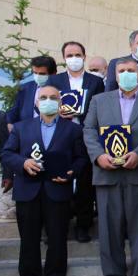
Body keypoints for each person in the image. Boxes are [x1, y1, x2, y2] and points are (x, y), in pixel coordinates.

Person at [84, 57, 138, 276]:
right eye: (122, 71)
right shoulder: (99, 101)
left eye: (131, 70)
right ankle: (113, 274)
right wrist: (98, 155)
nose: (127, 74)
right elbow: (88, 130)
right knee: (109, 228)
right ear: (115, 75)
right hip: (106, 173)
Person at [2, 86, 88, 276]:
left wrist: (71, 172)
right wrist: (23, 163)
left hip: (58, 189)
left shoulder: (73, 130)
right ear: (36, 102)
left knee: (57, 237)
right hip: (27, 190)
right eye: (43, 97)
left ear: (60, 102)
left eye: (53, 97)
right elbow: (7, 154)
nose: (48, 101)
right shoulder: (21, 127)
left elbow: (81, 158)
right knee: (28, 238)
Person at [46, 41, 105, 243]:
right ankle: (58, 226)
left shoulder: (95, 81)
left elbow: (100, 107)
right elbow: (44, 104)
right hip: (60, 136)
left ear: (84, 57)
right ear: (64, 58)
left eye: (77, 55)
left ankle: (83, 225)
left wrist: (83, 114)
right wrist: (57, 111)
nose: (74, 59)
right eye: (69, 55)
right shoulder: (54, 80)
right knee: (57, 179)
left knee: (85, 182)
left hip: (86, 136)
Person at [6, 55, 57, 131]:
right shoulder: (25, 88)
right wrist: (8, 123)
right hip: (26, 132)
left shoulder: (62, 90)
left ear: (53, 74)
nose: (38, 76)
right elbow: (14, 111)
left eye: (42, 74)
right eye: (35, 73)